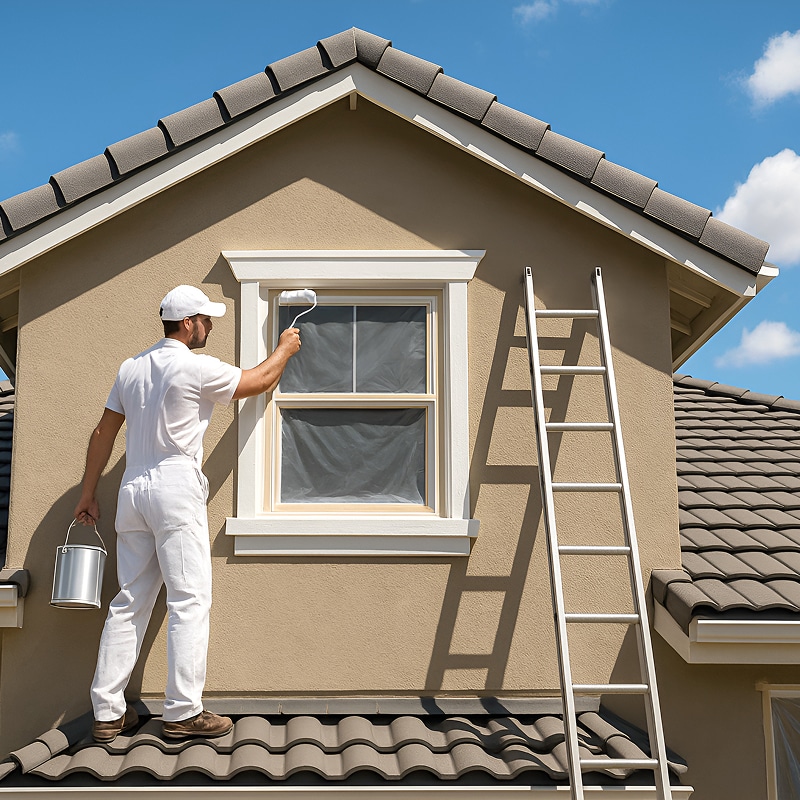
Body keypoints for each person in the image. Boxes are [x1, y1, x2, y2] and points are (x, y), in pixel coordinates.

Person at [73, 285, 300, 742]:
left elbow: (103, 432)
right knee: (189, 599)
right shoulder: (195, 366)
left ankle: (107, 713)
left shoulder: (130, 367)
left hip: (133, 489)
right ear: (189, 323)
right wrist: (285, 349)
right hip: (174, 486)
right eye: (206, 319)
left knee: (129, 602)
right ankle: (182, 711)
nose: (210, 326)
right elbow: (259, 382)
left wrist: (88, 492)